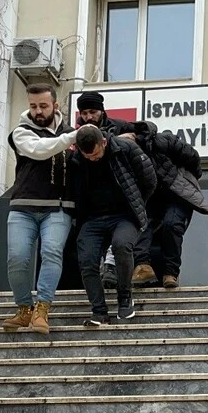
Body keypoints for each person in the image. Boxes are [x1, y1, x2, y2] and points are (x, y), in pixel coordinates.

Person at [1, 83, 77, 335]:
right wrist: (73, 137)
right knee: (17, 259)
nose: (38, 111)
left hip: (58, 208)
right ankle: (24, 309)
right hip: (22, 206)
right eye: (33, 106)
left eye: (43, 105)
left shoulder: (70, 132)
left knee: (52, 252)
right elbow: (41, 150)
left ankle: (42, 309)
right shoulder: (21, 132)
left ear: (55, 106)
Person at [70, 124, 157, 325]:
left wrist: (136, 204)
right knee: (87, 259)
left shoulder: (126, 149)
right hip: (92, 218)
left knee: (121, 245)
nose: (93, 159)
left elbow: (150, 181)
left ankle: (125, 299)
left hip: (125, 215)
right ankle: (99, 311)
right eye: (88, 156)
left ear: (104, 142)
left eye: (96, 155)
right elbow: (75, 191)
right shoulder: (77, 160)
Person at [126, 121, 208, 289]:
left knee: (172, 224)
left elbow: (193, 157)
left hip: (176, 195)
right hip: (151, 198)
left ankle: (170, 273)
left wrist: (187, 179)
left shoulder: (162, 142)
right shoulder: (124, 156)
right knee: (142, 225)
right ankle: (142, 266)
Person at [75, 91, 134, 289]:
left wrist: (121, 139)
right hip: (92, 206)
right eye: (84, 113)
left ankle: (112, 270)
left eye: (93, 111)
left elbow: (148, 130)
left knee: (120, 243)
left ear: (101, 110)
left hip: (120, 201)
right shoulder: (75, 136)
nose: (88, 117)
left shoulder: (119, 127)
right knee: (89, 253)